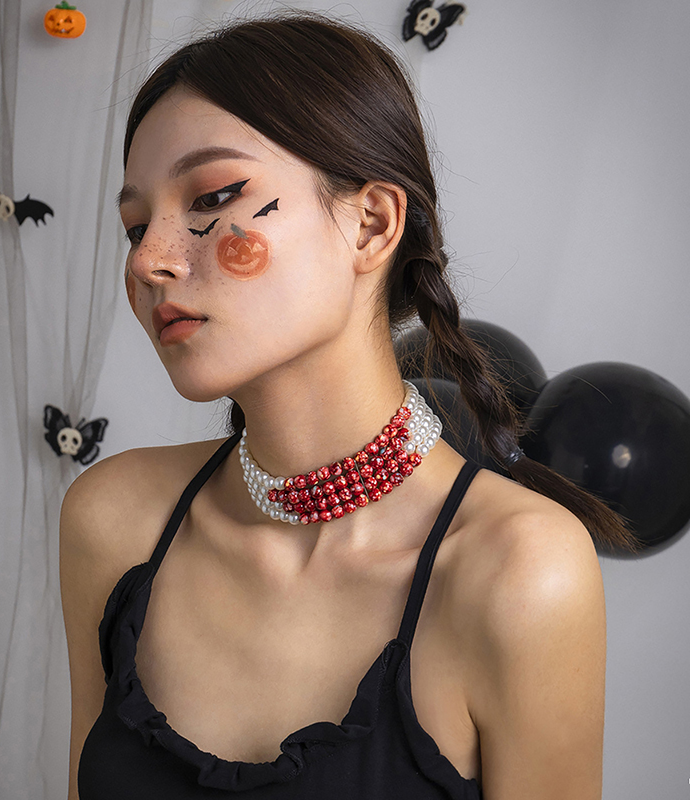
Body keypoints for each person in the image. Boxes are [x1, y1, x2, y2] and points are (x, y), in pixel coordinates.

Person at [59, 13, 637, 799]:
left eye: (213, 197)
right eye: (135, 226)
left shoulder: (519, 571)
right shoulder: (113, 521)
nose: (149, 261)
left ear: (371, 225)